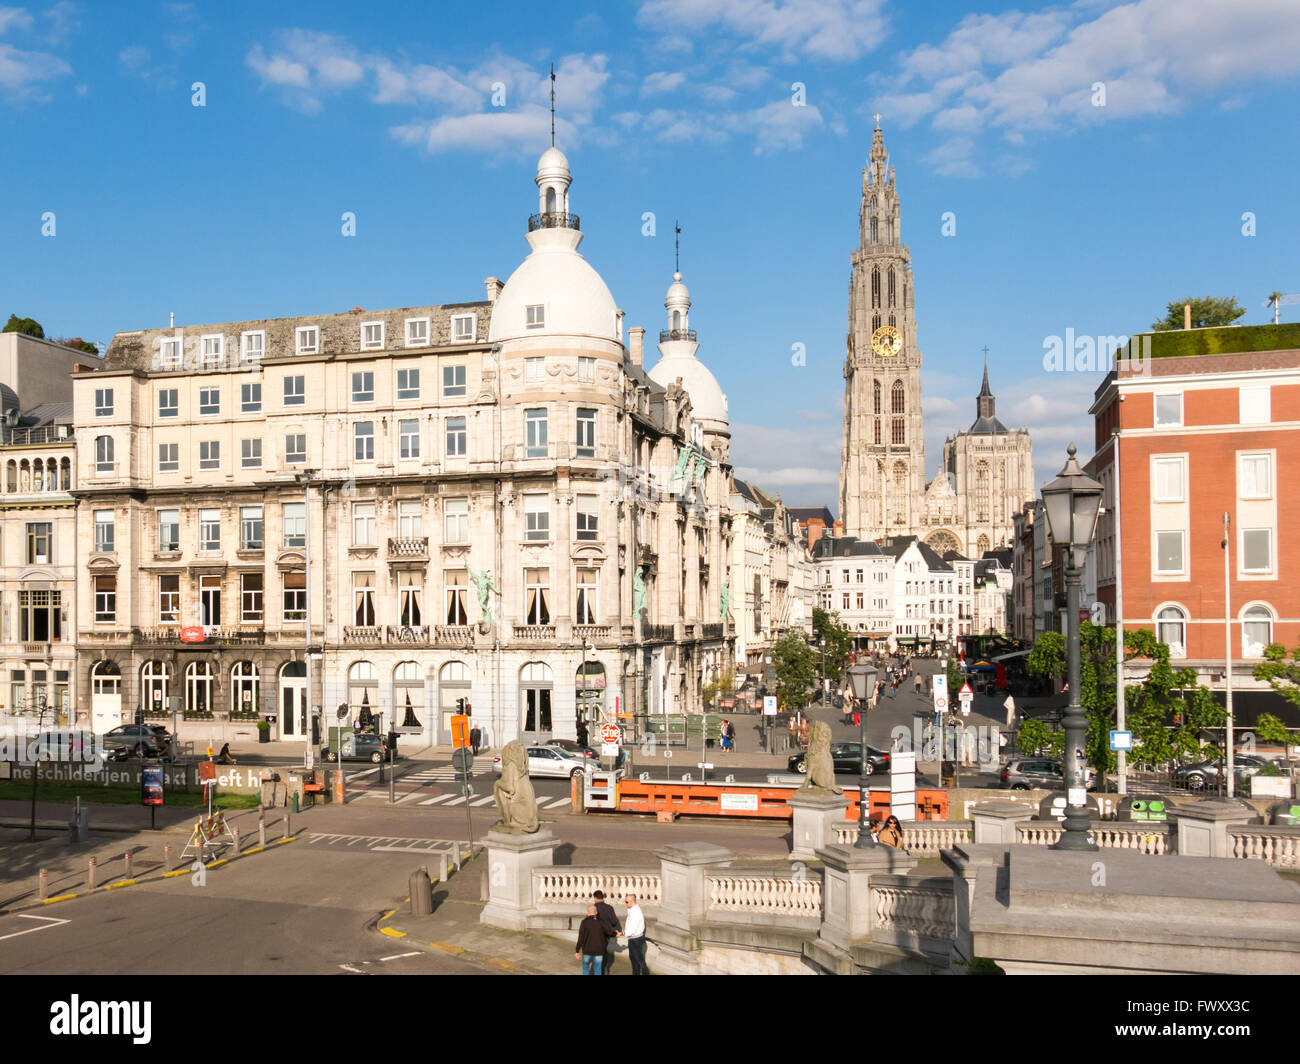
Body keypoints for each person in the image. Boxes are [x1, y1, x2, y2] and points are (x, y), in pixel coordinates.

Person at [619, 892, 649, 975]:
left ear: (632, 902)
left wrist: (622, 933)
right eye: (625, 901)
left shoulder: (635, 913)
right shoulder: (633, 910)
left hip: (636, 941)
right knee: (637, 963)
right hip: (636, 940)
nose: (625, 903)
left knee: (639, 963)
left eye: (627, 902)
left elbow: (631, 930)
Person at [593, 890, 620, 975]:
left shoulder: (593, 908)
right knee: (604, 954)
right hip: (606, 935)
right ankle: (603, 970)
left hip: (595, 935)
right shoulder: (609, 908)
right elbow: (614, 921)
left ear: (595, 898)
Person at [575, 904, 607, 975]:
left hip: (587, 951)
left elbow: (581, 937)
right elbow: (609, 931)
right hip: (599, 951)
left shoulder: (584, 922)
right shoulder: (601, 922)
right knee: (598, 969)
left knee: (585, 968)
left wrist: (577, 950)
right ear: (596, 913)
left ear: (588, 913)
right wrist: (616, 933)